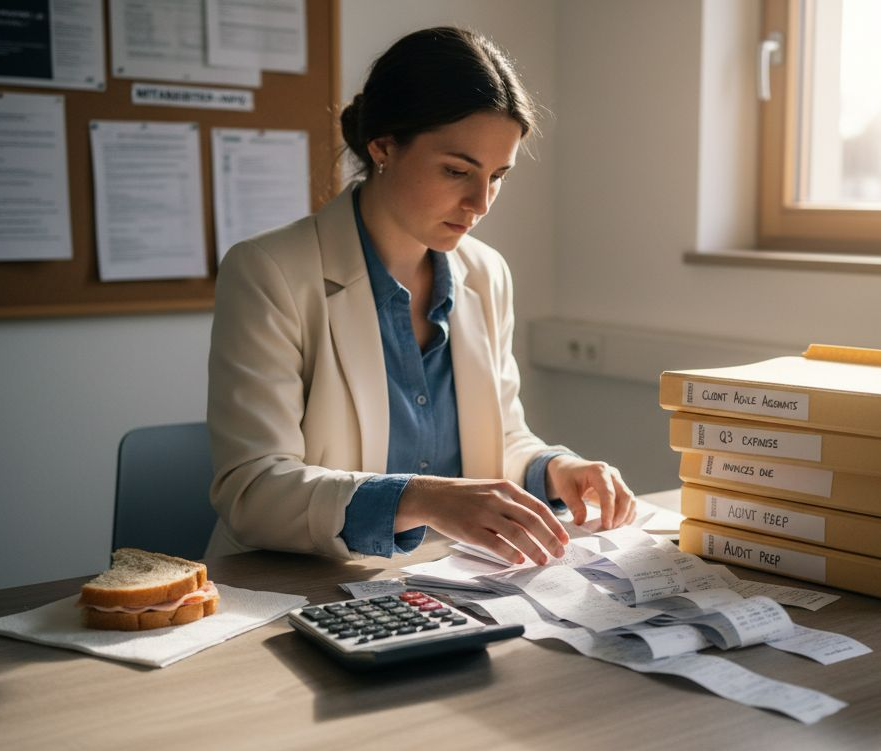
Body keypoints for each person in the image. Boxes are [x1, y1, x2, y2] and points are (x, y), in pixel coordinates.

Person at [206, 27, 636, 567]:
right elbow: (252, 489)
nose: (479, 202)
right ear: (382, 146)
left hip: (447, 581)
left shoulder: (486, 273)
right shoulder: (268, 271)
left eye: (498, 176)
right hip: (299, 585)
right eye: (457, 170)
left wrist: (553, 468)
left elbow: (500, 438)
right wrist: (421, 497)